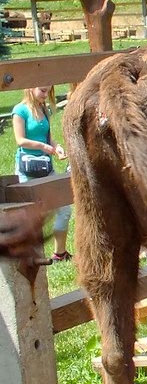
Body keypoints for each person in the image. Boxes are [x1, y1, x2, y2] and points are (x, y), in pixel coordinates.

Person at [12, 86, 72, 262]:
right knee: (31, 214)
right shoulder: (19, 110)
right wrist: (43, 147)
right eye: (43, 90)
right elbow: (20, 140)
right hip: (26, 170)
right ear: (30, 87)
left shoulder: (43, 109)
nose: (46, 94)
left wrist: (57, 147)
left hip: (46, 167)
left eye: (48, 91)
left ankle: (60, 253)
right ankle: (29, 257)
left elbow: (48, 138)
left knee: (64, 209)